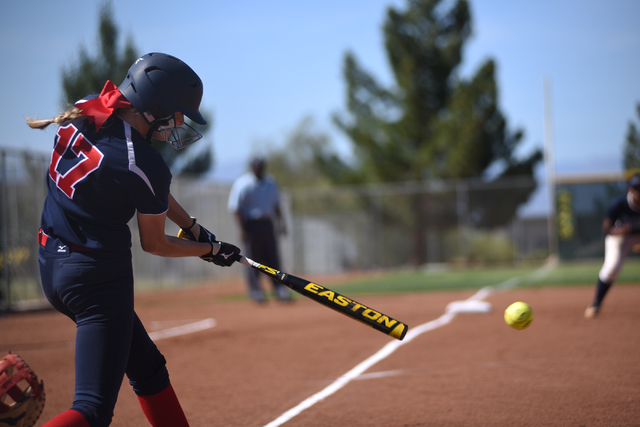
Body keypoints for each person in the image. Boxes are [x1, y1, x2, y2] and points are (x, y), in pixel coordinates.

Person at [27, 52, 241, 427]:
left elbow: (148, 191)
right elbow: (155, 244)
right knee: (92, 408)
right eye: (178, 114)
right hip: (96, 280)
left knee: (148, 369)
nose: (179, 123)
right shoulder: (142, 161)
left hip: (52, 265)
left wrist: (190, 226)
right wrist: (210, 249)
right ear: (155, 107)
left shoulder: (87, 110)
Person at [227, 157, 291, 303]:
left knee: (273, 258)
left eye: (261, 166)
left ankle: (279, 290)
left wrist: (282, 223)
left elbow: (276, 205)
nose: (259, 168)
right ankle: (256, 291)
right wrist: (242, 229)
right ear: (252, 167)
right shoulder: (243, 184)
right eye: (256, 166)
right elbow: (235, 208)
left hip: (268, 224)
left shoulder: (270, 183)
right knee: (252, 260)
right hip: (251, 225)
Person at [585, 174, 640, 319]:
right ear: (630, 190)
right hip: (619, 237)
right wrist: (621, 231)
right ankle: (596, 303)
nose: (639, 192)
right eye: (636, 188)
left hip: (637, 236)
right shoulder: (620, 203)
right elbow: (606, 229)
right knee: (612, 267)